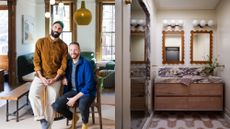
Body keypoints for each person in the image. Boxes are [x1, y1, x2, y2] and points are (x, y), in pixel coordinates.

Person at [29, 21, 68, 129]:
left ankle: (47, 127)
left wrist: (55, 79)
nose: (57, 29)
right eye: (55, 27)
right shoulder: (40, 42)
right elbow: (36, 61)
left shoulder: (64, 46)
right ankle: (41, 118)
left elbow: (63, 65)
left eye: (59, 28)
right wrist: (41, 77)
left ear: (61, 31)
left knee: (51, 103)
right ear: (51, 27)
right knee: (32, 95)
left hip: (55, 78)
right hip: (40, 77)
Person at [52, 42, 96, 129]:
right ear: (69, 51)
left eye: (75, 49)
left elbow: (89, 85)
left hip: (87, 92)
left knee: (82, 106)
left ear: (79, 51)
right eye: (71, 50)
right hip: (73, 91)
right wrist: (63, 77)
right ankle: (73, 117)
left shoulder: (86, 64)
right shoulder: (68, 63)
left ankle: (85, 123)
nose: (73, 52)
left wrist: (74, 99)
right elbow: (62, 72)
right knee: (56, 106)